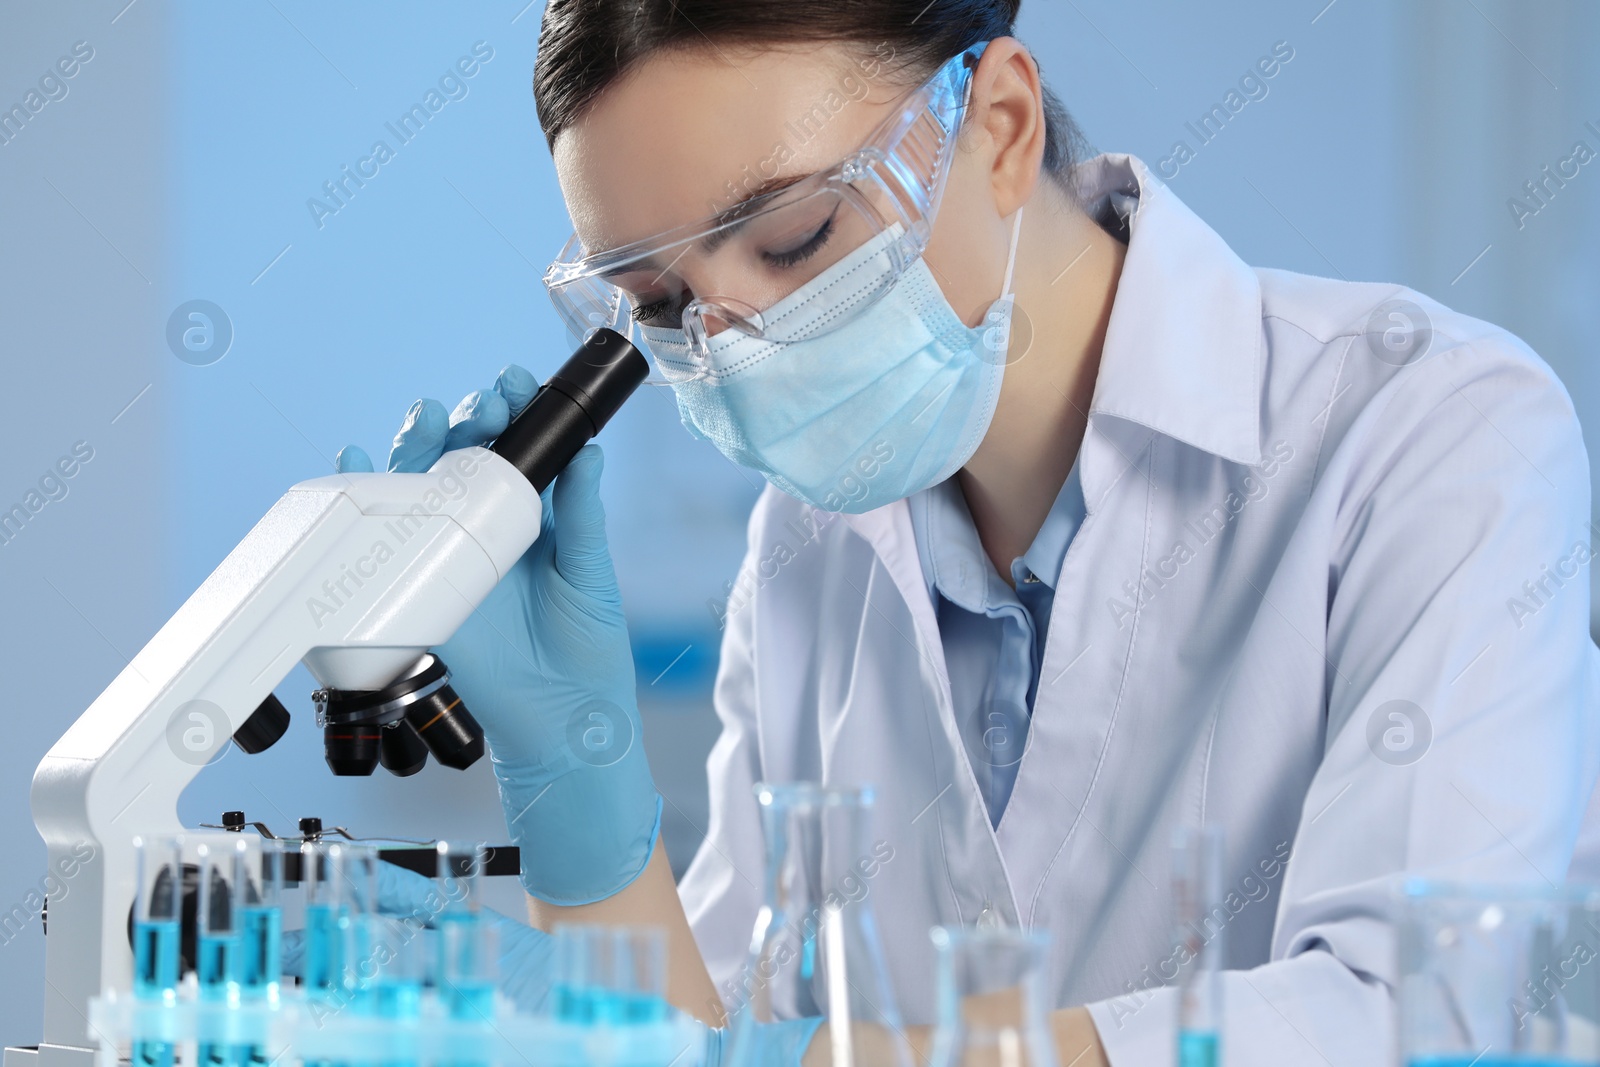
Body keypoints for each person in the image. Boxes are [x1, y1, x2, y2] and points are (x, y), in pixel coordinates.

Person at [333, 1, 1600, 1062]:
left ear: (997, 126)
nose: (735, 349)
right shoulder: (806, 544)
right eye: (660, 304)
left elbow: (1419, 1011)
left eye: (792, 238)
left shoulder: (1422, 427)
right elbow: (711, 1031)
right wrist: (583, 804)